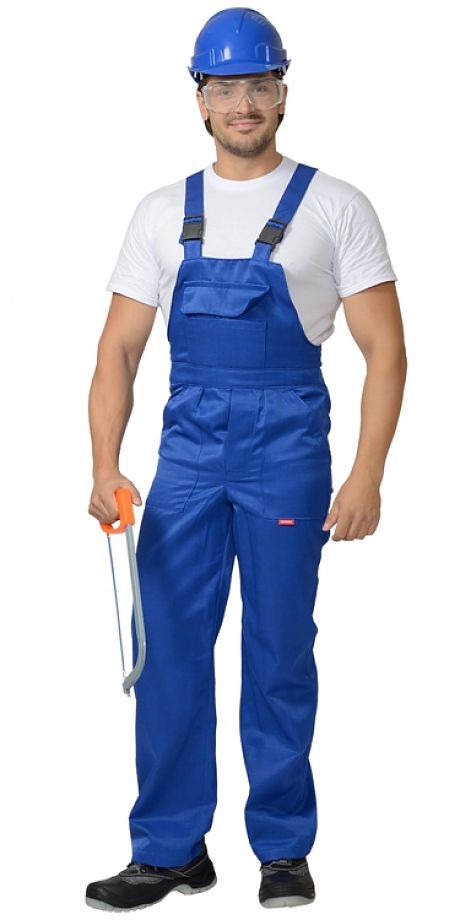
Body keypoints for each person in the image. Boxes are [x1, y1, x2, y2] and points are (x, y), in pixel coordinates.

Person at [86, 6, 407, 911]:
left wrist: (368, 474)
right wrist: (104, 464)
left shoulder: (337, 205)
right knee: (169, 651)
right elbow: (118, 350)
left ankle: (283, 849)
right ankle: (170, 849)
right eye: (225, 87)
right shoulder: (161, 212)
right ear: (200, 100)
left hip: (286, 449)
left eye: (259, 85)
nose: (243, 103)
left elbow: (387, 349)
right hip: (187, 452)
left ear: (283, 93)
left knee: (278, 649)